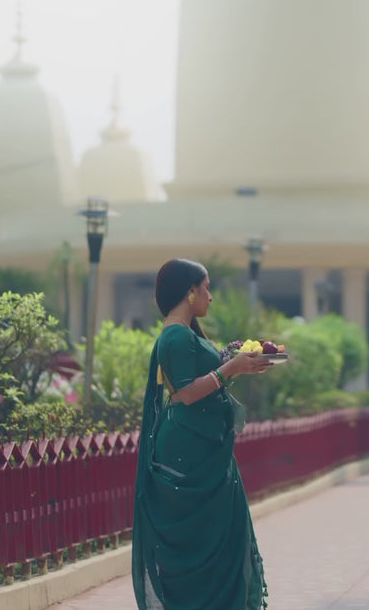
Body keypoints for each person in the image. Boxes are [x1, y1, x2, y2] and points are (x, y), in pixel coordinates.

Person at [132, 258, 271, 610]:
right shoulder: (175, 335)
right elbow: (185, 393)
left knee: (222, 538)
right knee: (203, 544)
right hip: (188, 454)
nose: (210, 296)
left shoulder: (187, 332)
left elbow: (206, 381)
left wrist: (240, 365)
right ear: (190, 292)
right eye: (206, 288)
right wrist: (231, 369)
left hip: (205, 449)